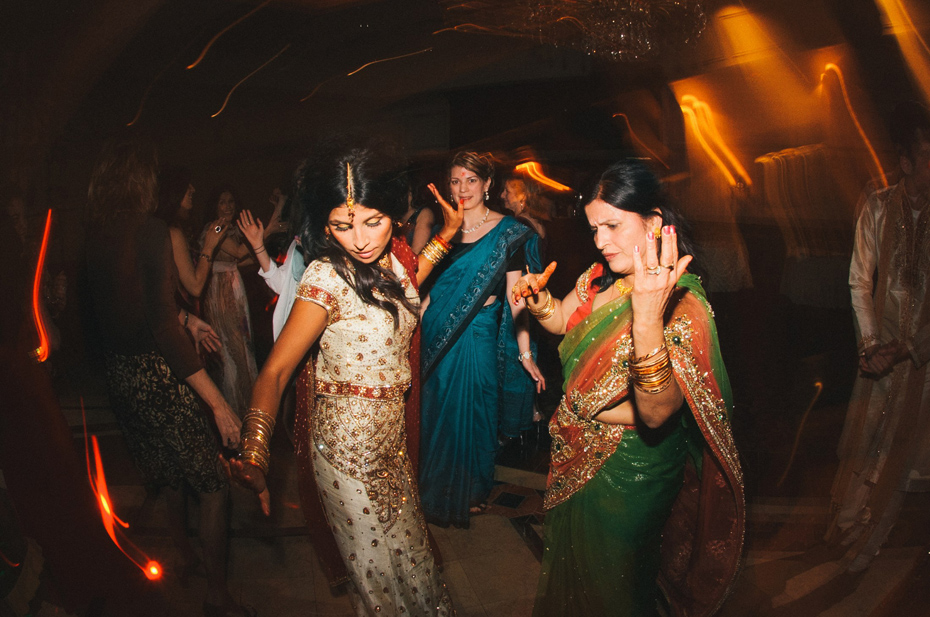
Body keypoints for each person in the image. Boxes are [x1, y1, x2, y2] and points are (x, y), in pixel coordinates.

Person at [226, 142, 461, 615]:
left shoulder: (393, 260)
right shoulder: (325, 278)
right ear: (324, 225)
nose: (358, 238)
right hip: (345, 455)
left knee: (416, 567)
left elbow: (410, 282)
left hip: (390, 448)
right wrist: (253, 451)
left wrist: (448, 233)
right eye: (341, 225)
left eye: (371, 221)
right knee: (379, 587)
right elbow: (276, 369)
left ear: (395, 215)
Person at [513, 160, 744, 616]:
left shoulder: (681, 303)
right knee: (576, 572)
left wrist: (645, 315)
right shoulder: (600, 277)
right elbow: (564, 320)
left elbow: (659, 413)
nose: (600, 241)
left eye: (613, 225)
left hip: (634, 467)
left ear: (654, 222)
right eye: (594, 227)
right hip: (576, 450)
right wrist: (540, 304)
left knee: (617, 585)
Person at [83, 139, 252, 617]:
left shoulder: (96, 232)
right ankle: (218, 598)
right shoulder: (152, 229)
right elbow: (157, 322)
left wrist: (186, 320)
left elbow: (119, 308)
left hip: (121, 376)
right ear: (139, 181)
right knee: (215, 486)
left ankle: (183, 556)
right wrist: (218, 402)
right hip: (158, 373)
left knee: (170, 473)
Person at [826, 101, 930, 571]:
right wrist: (871, 345)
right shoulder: (878, 206)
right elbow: (858, 280)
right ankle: (850, 526)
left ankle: (876, 540)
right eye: (927, 155)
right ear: (905, 161)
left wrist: (909, 347)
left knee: (907, 446)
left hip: (922, 357)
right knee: (867, 437)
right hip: (878, 351)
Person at [418, 151, 545, 528]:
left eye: (471, 180)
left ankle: (471, 490)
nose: (462, 189)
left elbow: (515, 296)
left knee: (478, 410)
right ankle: (436, 490)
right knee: (436, 411)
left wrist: (524, 353)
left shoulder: (509, 232)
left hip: (479, 334)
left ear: (488, 184)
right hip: (436, 331)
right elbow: (426, 288)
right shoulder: (443, 231)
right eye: (455, 181)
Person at [200, 187, 259, 417]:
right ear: (215, 206)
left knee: (243, 347)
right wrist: (267, 230)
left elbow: (238, 261)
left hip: (234, 288)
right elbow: (235, 252)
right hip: (220, 292)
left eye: (231, 201)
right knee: (231, 349)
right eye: (222, 202)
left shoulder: (231, 229)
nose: (228, 206)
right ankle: (235, 411)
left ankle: (248, 409)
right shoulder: (215, 227)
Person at [499, 169, 550, 433]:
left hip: (519, 297)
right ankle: (532, 413)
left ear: (522, 195)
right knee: (529, 354)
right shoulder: (535, 222)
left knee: (516, 359)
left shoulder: (519, 226)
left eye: (507, 190)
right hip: (537, 299)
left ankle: (515, 425)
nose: (502, 195)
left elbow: (517, 271)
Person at [155, 166, 227, 306]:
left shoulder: (179, 228)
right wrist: (208, 246)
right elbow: (195, 287)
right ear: (175, 191)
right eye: (187, 186)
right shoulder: (173, 233)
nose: (193, 189)